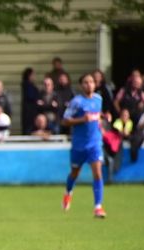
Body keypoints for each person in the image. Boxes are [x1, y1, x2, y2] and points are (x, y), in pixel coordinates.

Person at [60, 73, 106, 219]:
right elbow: (65, 121)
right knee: (74, 173)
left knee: (98, 173)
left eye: (91, 82)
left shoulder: (99, 99)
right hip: (79, 145)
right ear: (81, 85)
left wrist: (104, 119)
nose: (89, 85)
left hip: (94, 143)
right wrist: (81, 119)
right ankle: (68, 192)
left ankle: (98, 207)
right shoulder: (77, 102)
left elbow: (97, 116)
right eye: (86, 82)